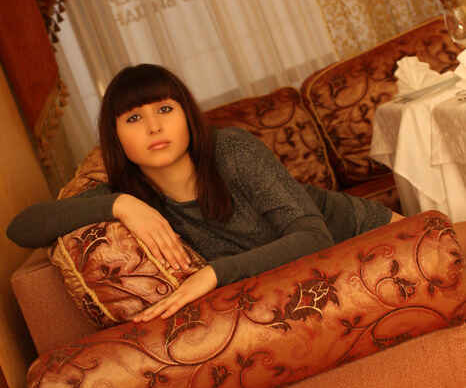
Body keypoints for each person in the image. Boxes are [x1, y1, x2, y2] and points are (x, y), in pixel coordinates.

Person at [7, 64, 402, 322]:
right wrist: (121, 204)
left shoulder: (231, 149)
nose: (153, 127)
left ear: (187, 116)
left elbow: (314, 238)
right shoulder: (126, 195)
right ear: (116, 137)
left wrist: (213, 274)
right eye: (134, 117)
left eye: (164, 110)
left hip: (366, 237)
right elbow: (23, 228)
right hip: (304, 288)